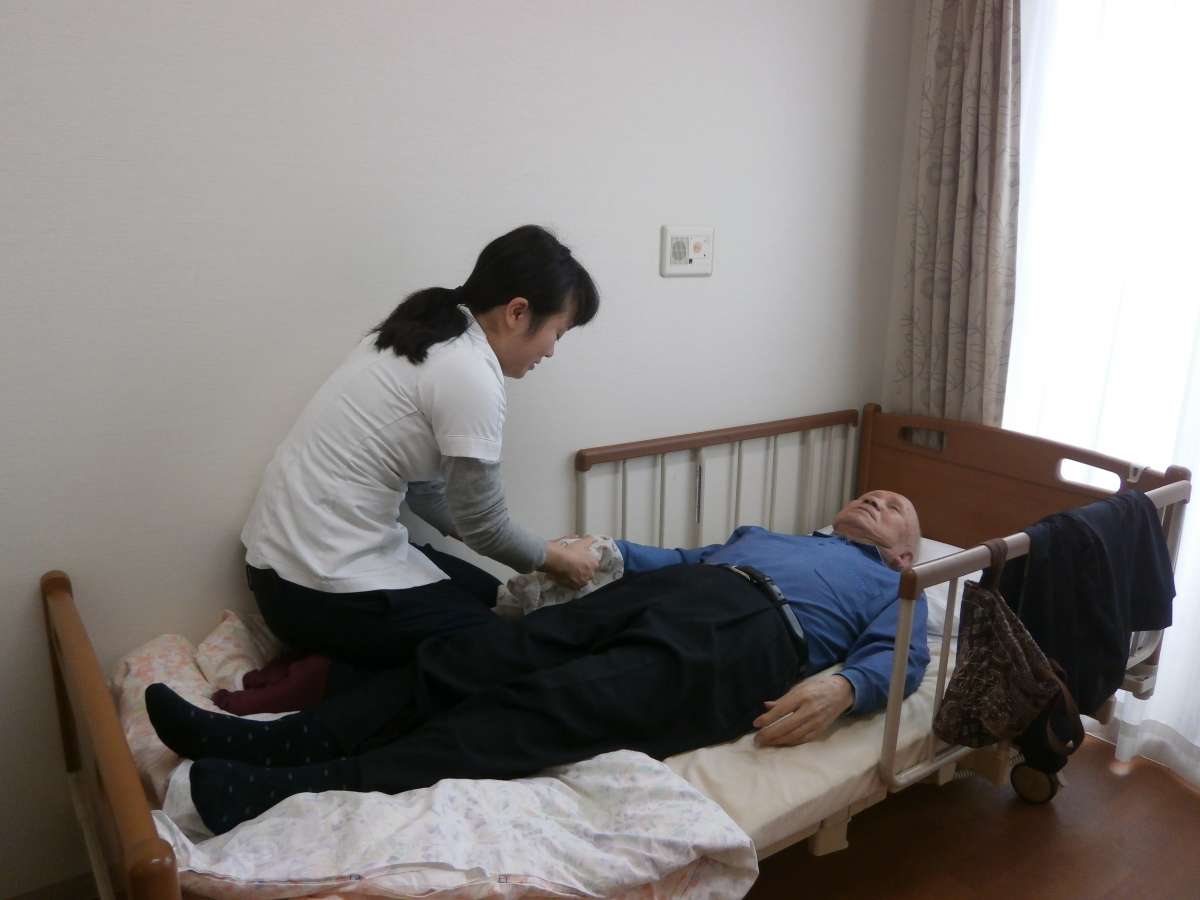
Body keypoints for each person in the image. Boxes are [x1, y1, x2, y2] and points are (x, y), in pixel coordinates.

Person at [147, 490, 928, 835]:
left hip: (752, 638)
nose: (877, 500)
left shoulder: (900, 585)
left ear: (904, 551)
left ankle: (291, 785)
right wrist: (608, 551)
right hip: (682, 591)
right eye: (871, 493)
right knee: (479, 653)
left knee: (548, 706)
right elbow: (686, 558)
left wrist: (845, 685)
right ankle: (279, 738)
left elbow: (903, 655)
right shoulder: (771, 536)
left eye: (895, 507)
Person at [233, 225, 601, 709]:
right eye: (557, 333)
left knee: (491, 596)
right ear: (517, 312)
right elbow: (486, 527)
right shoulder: (469, 373)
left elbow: (428, 494)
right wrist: (556, 558)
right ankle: (327, 679)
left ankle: (330, 659)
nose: (551, 351)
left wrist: (535, 551)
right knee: (498, 652)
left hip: (278, 573)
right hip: (311, 588)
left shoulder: (425, 334)